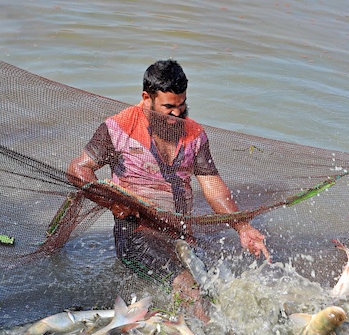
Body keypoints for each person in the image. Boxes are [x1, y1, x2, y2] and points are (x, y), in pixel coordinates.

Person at [66, 59, 269, 320]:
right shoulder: (118, 128)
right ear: (146, 98)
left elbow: (213, 186)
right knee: (192, 292)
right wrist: (113, 203)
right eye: (168, 107)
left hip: (180, 236)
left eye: (181, 105)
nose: (176, 115)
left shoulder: (194, 134)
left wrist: (242, 227)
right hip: (136, 234)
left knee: (221, 290)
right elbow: (78, 169)